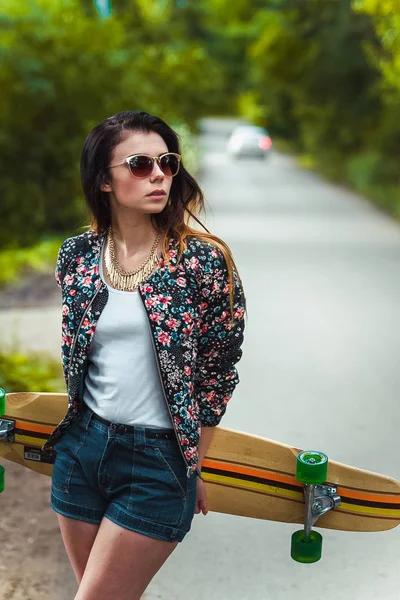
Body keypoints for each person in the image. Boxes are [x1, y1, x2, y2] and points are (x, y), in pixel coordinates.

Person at [44, 110, 246, 600]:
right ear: (104, 181)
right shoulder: (77, 255)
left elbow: (217, 373)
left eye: (167, 162)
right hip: (82, 449)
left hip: (157, 461)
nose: (158, 175)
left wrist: (192, 462)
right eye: (139, 164)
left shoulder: (202, 261)